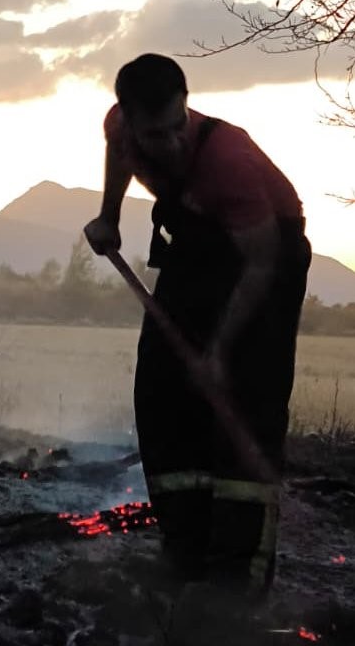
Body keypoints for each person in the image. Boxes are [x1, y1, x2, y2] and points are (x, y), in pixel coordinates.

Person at [84, 53, 311, 594]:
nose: (172, 144)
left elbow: (259, 264)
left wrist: (218, 351)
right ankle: (184, 546)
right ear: (130, 118)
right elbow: (119, 149)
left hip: (265, 260)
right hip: (195, 246)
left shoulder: (227, 160)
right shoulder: (121, 127)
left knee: (242, 399)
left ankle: (238, 575)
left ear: (188, 108)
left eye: (177, 127)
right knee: (162, 390)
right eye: (155, 134)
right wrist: (109, 215)